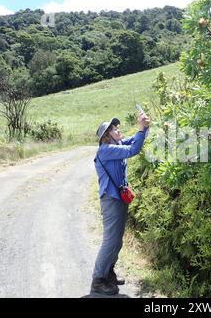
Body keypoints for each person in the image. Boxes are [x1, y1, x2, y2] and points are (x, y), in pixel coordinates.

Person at [91, 111, 150, 296]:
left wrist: (145, 126)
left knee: (117, 240)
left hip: (118, 199)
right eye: (115, 129)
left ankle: (108, 272)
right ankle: (98, 279)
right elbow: (133, 150)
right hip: (111, 200)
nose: (119, 130)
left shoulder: (116, 145)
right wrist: (141, 129)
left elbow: (135, 140)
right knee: (110, 240)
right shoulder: (106, 150)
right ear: (107, 136)